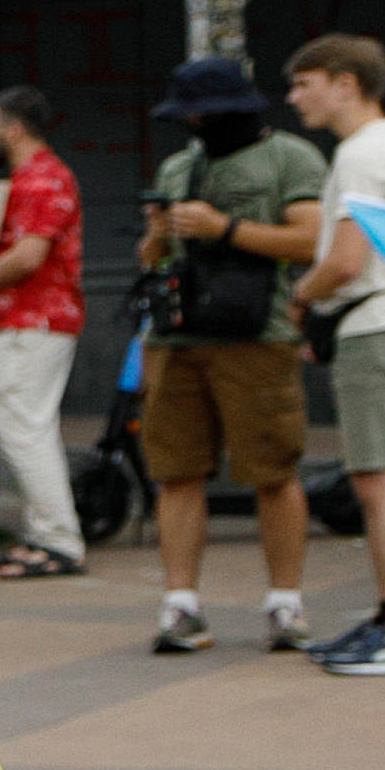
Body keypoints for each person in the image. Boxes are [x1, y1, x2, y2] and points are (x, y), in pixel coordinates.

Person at [131, 53, 321, 654]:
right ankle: (180, 605)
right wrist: (161, 233)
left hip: (255, 339)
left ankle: (285, 603)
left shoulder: (290, 157)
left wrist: (224, 229)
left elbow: (311, 239)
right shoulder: (179, 165)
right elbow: (150, 260)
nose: (193, 126)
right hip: (177, 339)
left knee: (272, 469)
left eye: (201, 114)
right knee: (176, 472)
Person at [284, 33, 385, 673]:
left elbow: (344, 261)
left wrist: (301, 299)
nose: (294, 98)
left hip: (378, 326)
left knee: (378, 476)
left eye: (304, 83)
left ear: (346, 83)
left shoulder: (363, 156)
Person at [0, 88, 89, 578]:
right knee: (25, 428)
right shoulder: (31, 179)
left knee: (24, 429)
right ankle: (41, 535)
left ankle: (57, 538)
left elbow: (29, 256)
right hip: (22, 320)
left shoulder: (41, 181)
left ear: (15, 129)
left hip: (31, 319)